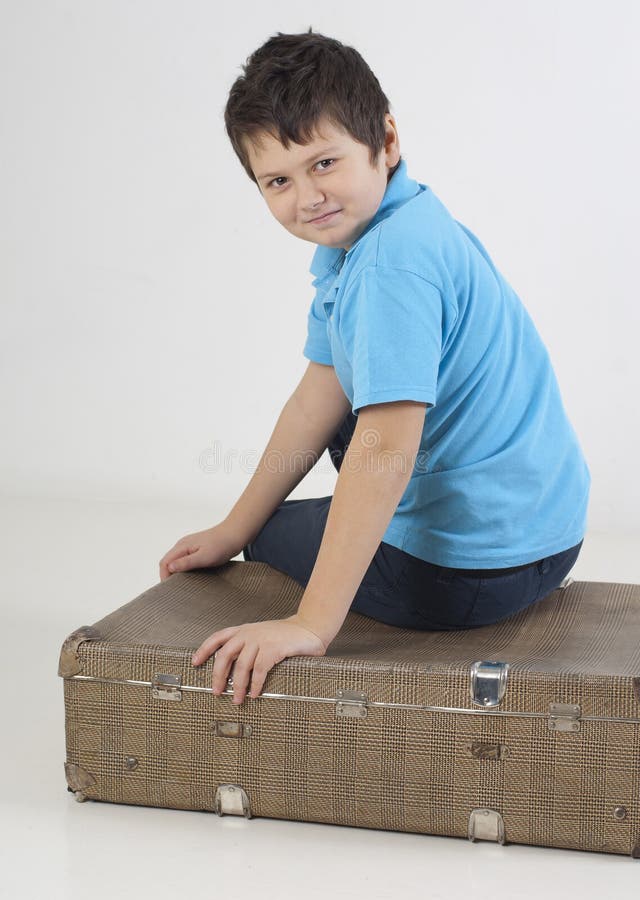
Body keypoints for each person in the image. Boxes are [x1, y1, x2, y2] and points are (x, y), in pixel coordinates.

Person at [158, 28, 590, 706]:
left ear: (385, 141)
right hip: (550, 538)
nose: (308, 197)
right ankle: (357, 538)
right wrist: (229, 526)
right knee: (321, 430)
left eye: (324, 163)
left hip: (470, 574)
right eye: (279, 180)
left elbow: (384, 448)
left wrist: (308, 621)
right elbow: (315, 398)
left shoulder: (388, 267)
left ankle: (366, 573)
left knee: (275, 533)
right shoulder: (400, 222)